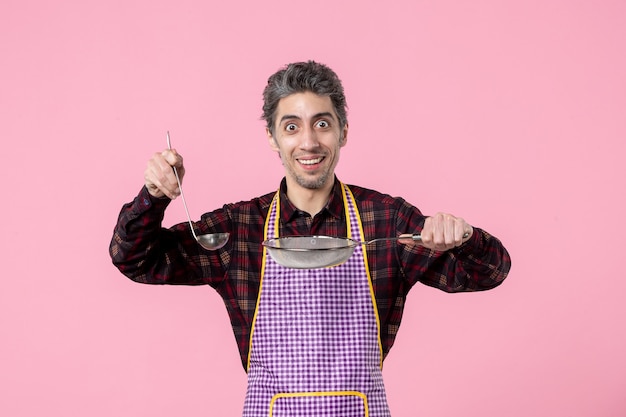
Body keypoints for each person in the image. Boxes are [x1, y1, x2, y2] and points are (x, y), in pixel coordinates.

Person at [110, 60, 511, 417]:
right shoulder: (240, 229)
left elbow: (489, 271)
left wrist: (464, 237)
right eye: (291, 127)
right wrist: (155, 196)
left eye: (322, 123)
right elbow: (135, 258)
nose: (308, 142)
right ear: (272, 138)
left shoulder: (385, 222)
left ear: (343, 132)